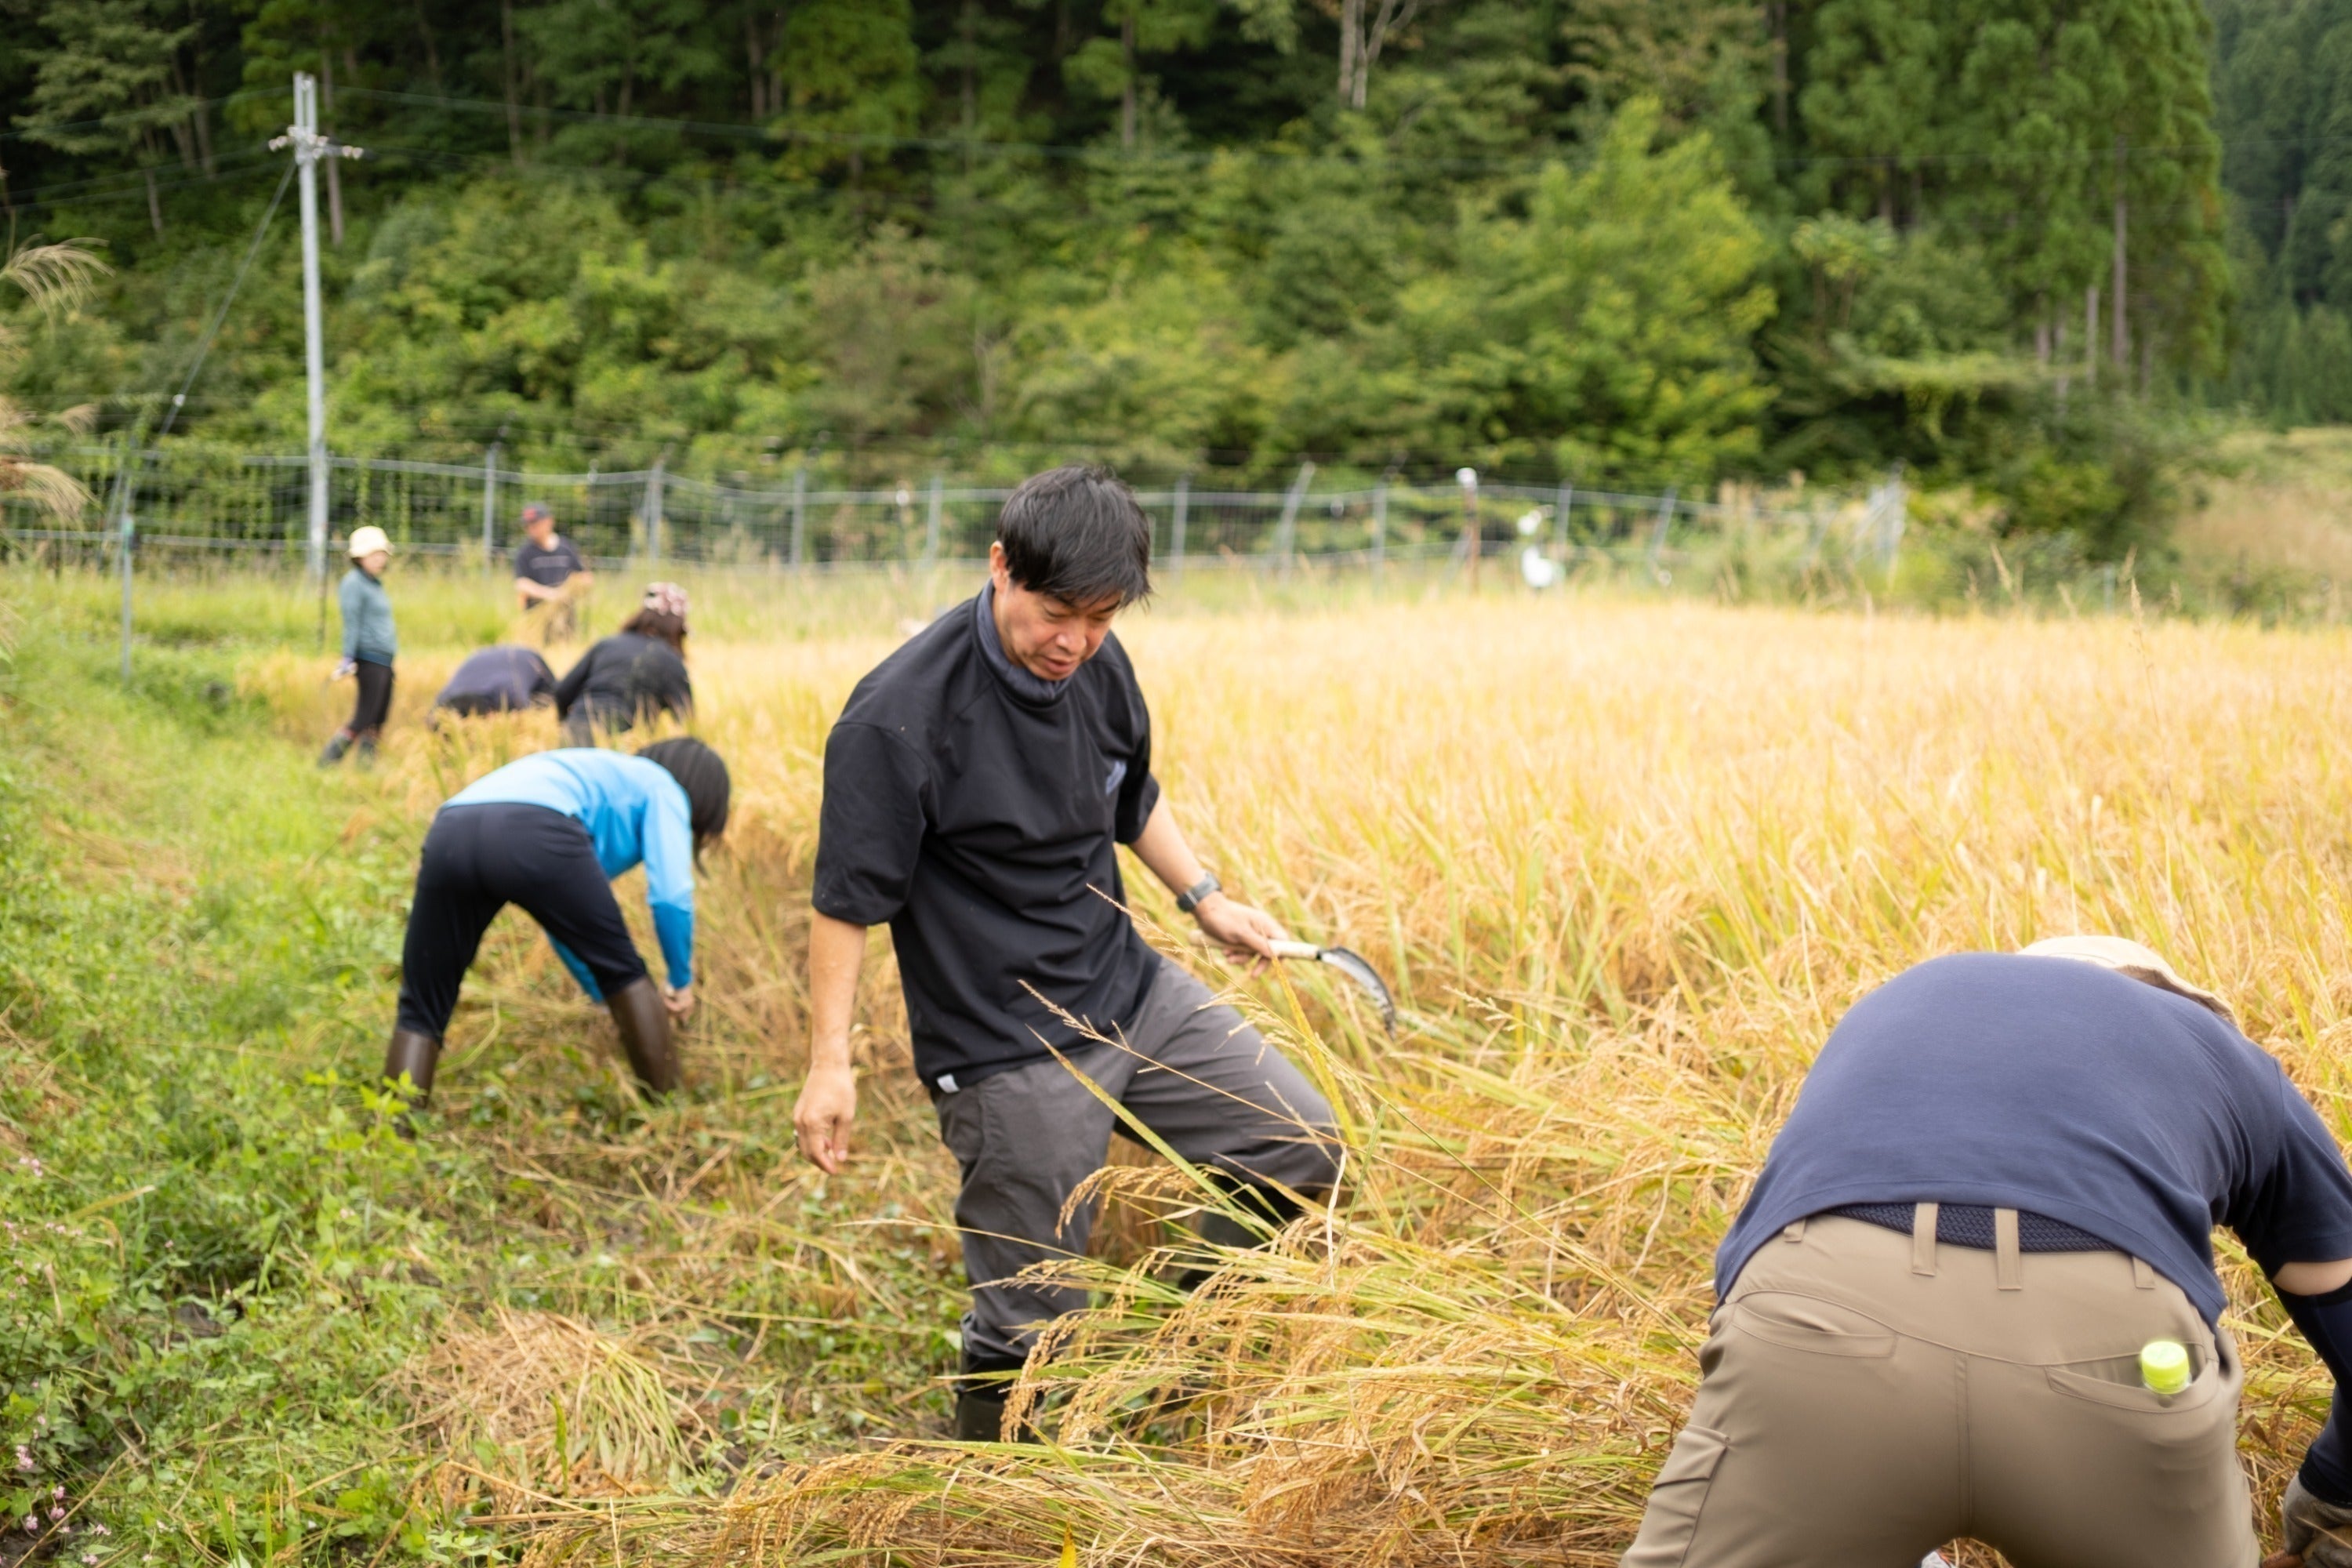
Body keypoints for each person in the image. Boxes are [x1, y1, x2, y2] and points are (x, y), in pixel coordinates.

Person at [794, 463, 1343, 1442]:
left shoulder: (1099, 662)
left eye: (1101, 616)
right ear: (1001, 565)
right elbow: (845, 903)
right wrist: (828, 1063)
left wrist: (1205, 896)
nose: (1075, 642)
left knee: (1298, 1143)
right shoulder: (898, 715)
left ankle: (1166, 1355)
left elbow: (1128, 792)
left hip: (1128, 985)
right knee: (1034, 1310)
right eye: (1057, 613)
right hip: (1006, 1042)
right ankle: (997, 1495)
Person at [1621, 935, 2352, 1568]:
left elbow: (1747, 1279)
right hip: (2119, 1365)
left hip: (1820, 1323)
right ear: (2182, 1006)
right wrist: (2329, 1509)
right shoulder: (2224, 1055)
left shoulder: (1902, 1003)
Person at [379, 739, 731, 1120]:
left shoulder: (603, 774)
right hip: (536, 826)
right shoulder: (664, 786)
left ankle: (393, 1138)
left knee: (422, 1005)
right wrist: (680, 981)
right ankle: (671, 1118)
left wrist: (603, 999)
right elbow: (671, 897)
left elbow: (566, 927)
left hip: (452, 825)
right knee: (625, 971)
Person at [554, 583, 694, 745]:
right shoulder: (671, 661)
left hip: (575, 732)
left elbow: (561, 692)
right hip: (623, 745)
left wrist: (567, 726)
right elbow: (686, 722)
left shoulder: (607, 645)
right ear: (676, 628)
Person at [320, 525, 397, 767]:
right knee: (363, 717)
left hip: (385, 660)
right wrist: (348, 657)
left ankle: (366, 767)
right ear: (359, 556)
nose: (380, 559)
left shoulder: (374, 584)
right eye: (374, 554)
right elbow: (351, 623)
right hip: (368, 659)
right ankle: (327, 763)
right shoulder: (353, 583)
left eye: (382, 554)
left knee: (378, 718)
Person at [512, 503, 593, 640]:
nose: (531, 529)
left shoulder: (566, 547)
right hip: (537, 618)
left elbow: (583, 575)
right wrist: (550, 594)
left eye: (535, 524)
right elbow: (521, 583)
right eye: (528, 526)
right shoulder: (525, 552)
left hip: (566, 617)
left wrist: (578, 586)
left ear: (549, 522)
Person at [431, 644, 557, 720]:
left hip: (525, 659)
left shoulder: (512, 695)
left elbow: (559, 697)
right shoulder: (444, 705)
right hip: (487, 659)